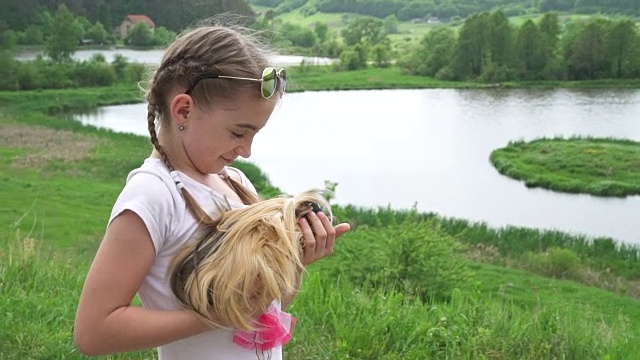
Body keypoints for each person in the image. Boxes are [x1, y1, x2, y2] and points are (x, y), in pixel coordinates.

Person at [73, 24, 351, 360]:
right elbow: (94, 332)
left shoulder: (236, 183)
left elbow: (263, 305)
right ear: (184, 111)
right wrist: (219, 315)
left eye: (254, 135)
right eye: (238, 132)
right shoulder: (153, 194)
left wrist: (294, 264)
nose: (246, 150)